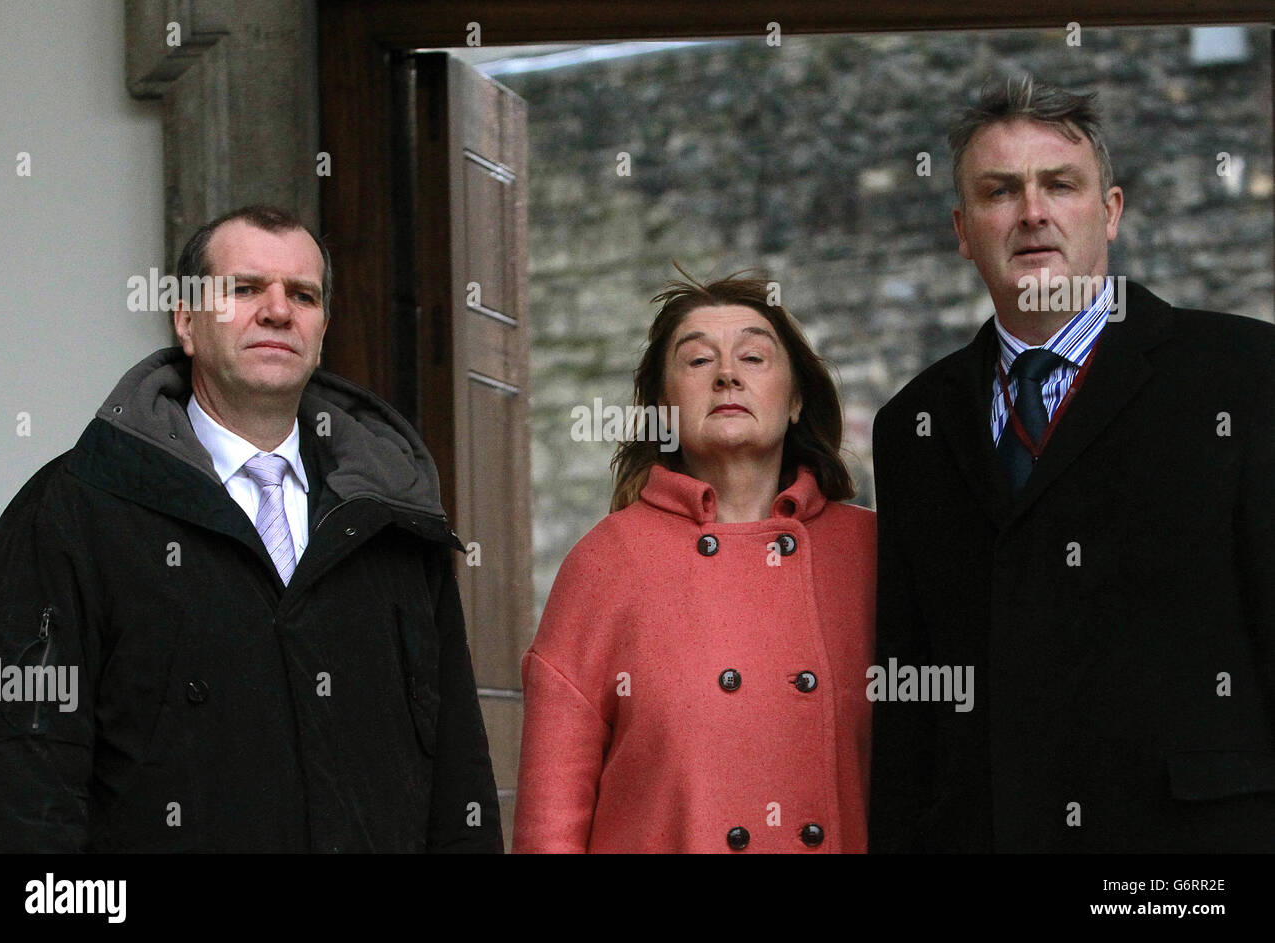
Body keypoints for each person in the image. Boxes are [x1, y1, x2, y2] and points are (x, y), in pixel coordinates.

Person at [0, 205, 502, 852]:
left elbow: (458, 777)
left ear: (322, 329)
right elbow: (24, 783)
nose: (278, 310)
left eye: (302, 295)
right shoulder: (72, 510)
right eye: (245, 288)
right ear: (187, 321)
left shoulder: (394, 514)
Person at [870, 76, 1275, 852]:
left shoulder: (1244, 373)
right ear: (962, 228)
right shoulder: (912, 426)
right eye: (1000, 191)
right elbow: (909, 696)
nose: (1032, 212)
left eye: (1060, 184)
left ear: (1110, 211)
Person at [514, 272, 875, 853]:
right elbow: (549, 824)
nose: (728, 374)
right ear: (662, 404)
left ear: (797, 399)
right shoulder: (606, 562)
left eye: (754, 357)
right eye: (699, 360)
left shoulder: (871, 553)